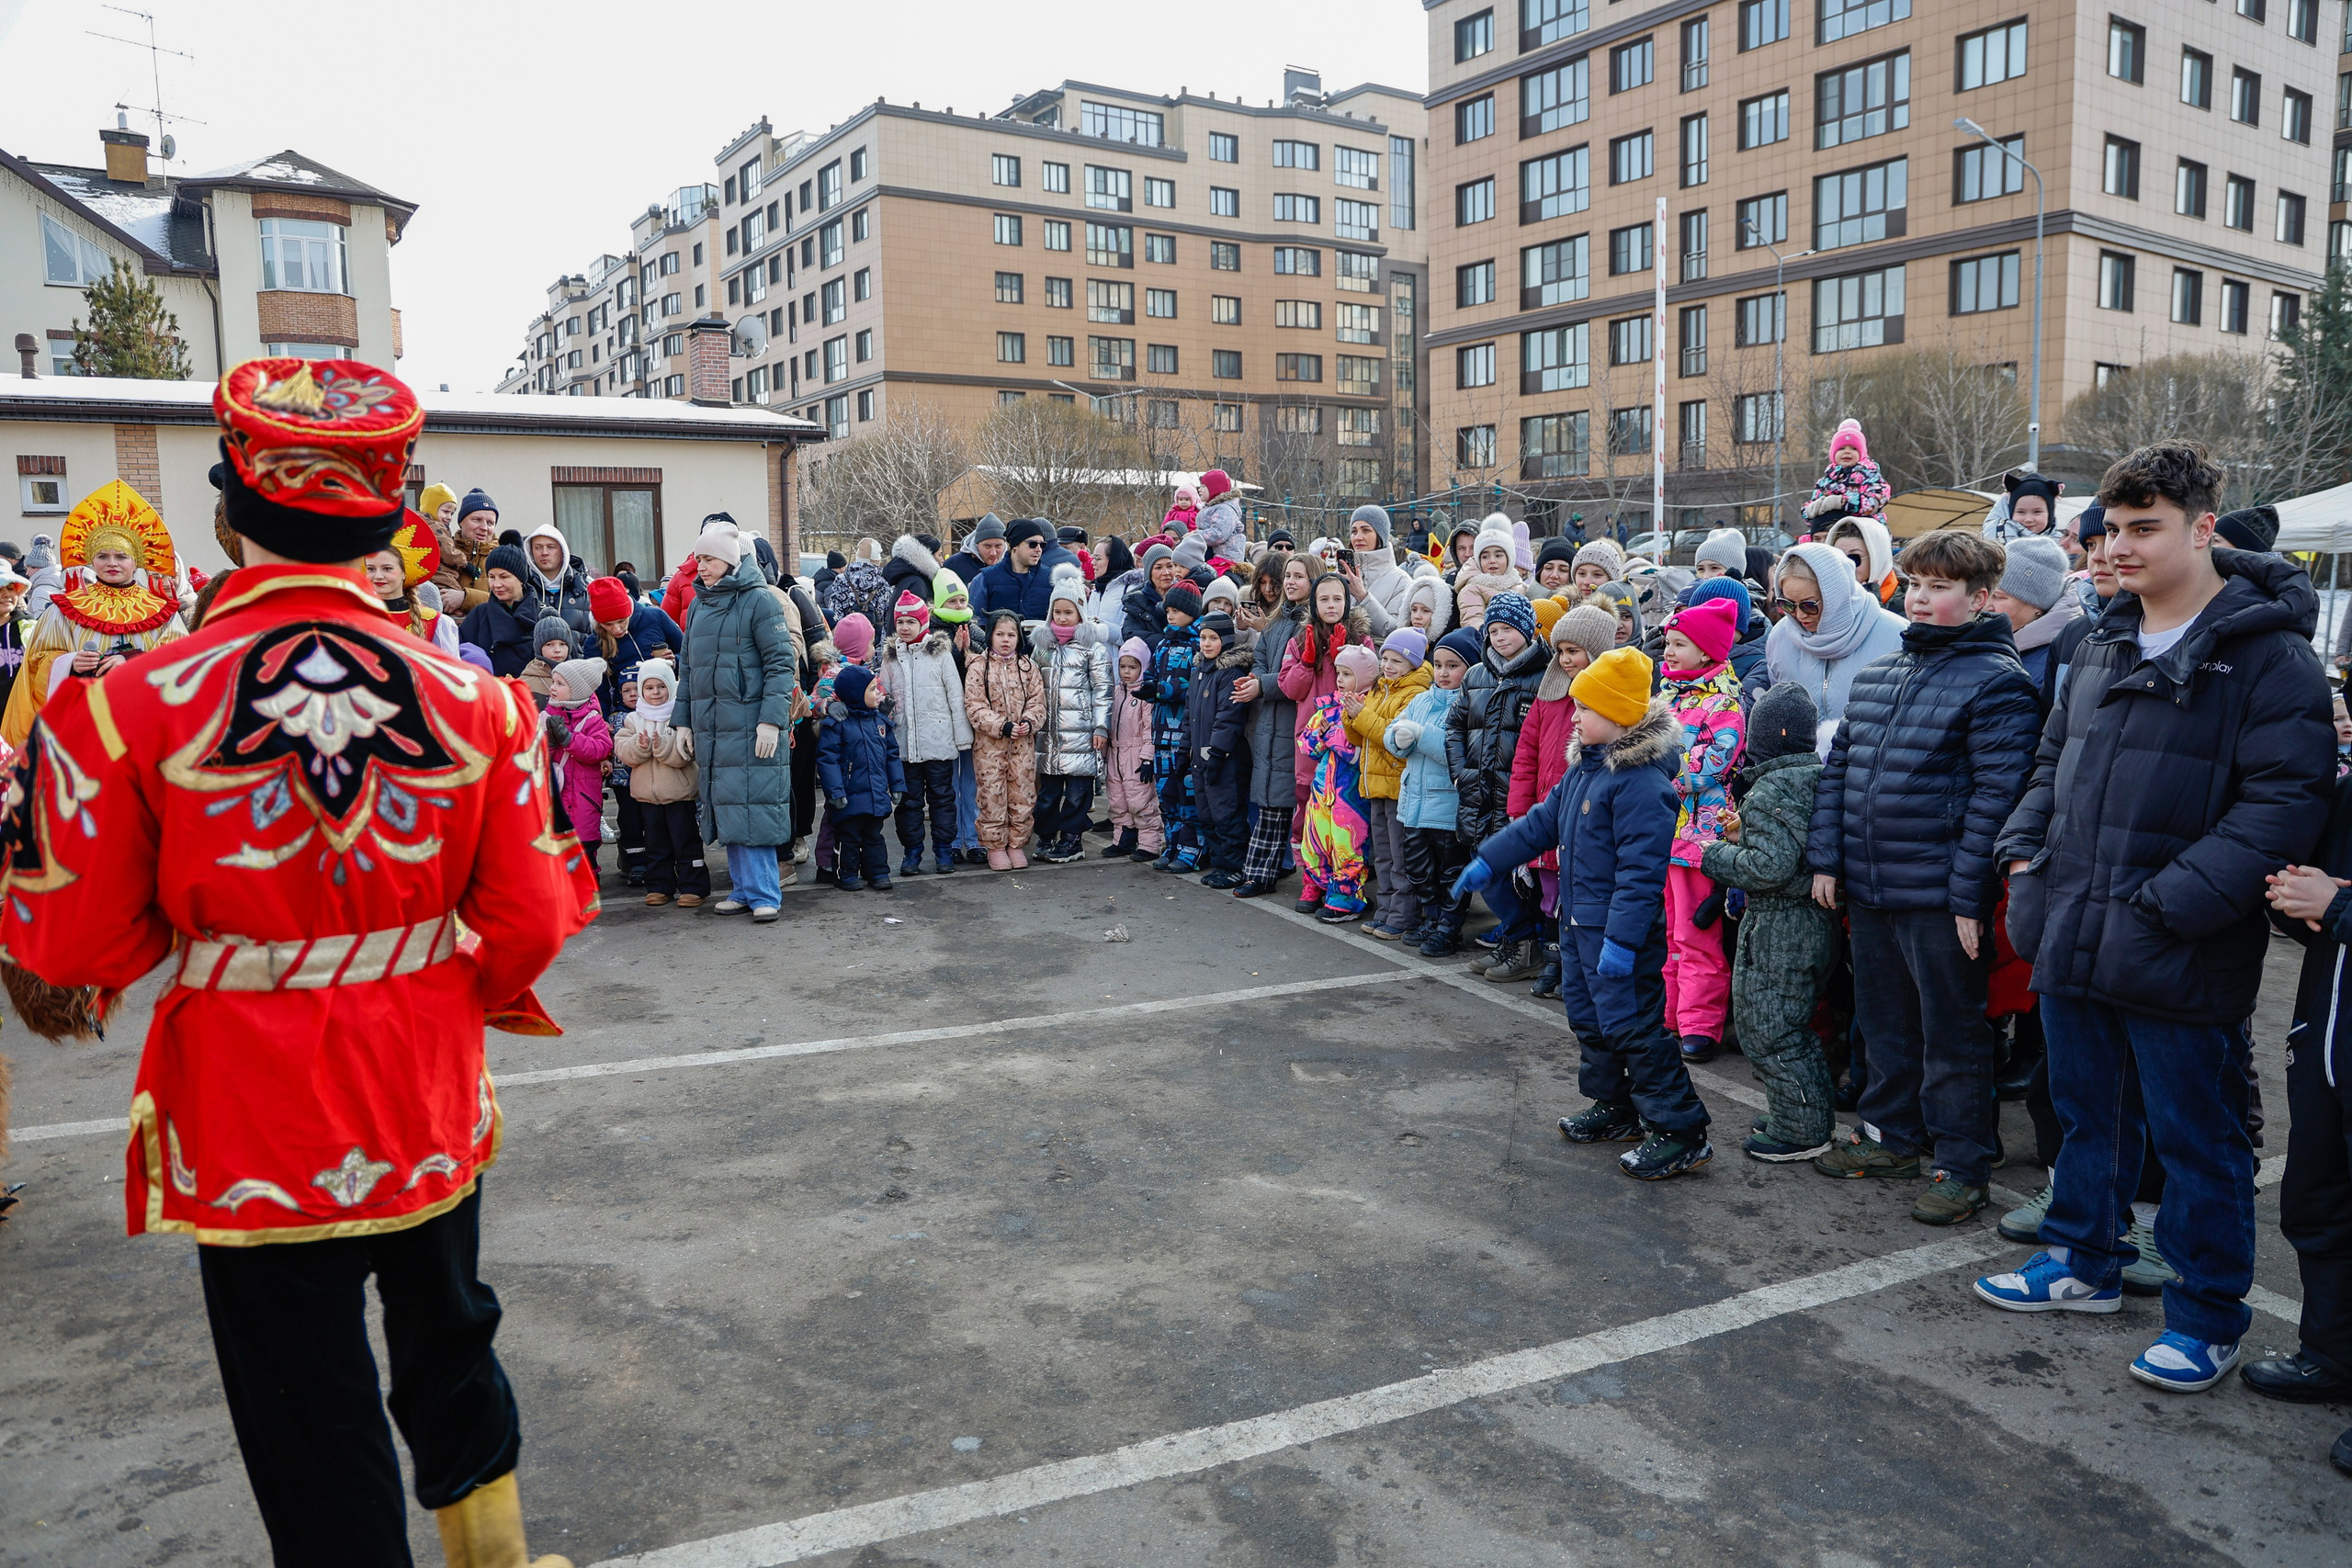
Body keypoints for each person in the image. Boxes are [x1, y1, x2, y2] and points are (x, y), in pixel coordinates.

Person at [0, 355, 592, 1563]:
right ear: (388, 519)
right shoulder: (480, 703)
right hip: (421, 1075)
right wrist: (433, 986)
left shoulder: (128, 705)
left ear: (226, 514)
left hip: (246, 1096)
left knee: (301, 1397)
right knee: (450, 1331)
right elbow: (534, 911)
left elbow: (73, 939)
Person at [1979, 441, 2334, 1393]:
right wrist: (2025, 864)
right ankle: (2081, 1263)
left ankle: (2207, 1316)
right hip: (2073, 927)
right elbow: (2051, 763)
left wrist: (2169, 904)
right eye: (2113, 529)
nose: (2120, 548)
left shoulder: (2269, 658)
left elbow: (2280, 807)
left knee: (2197, 1143)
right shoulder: (2101, 635)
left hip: (2176, 943)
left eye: (2146, 528)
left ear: (2202, 528)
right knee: (2085, 1117)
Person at [1807, 528, 2039, 1224]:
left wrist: (1969, 895)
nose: (1922, 598)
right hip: (1874, 888)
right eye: (1914, 585)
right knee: (1884, 1024)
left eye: (1939, 587)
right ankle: (1889, 1137)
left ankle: (1963, 1163)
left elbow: (1998, 802)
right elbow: (1842, 771)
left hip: (1942, 896)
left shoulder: (2000, 682)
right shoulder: (1882, 672)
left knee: (1954, 1034)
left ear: (1981, 598)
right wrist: (1827, 857)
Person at [1461, 645, 1714, 1180]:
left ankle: (1679, 1129)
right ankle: (1615, 1107)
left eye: (1586, 708)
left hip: (1617, 937)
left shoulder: (1643, 785)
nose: (1574, 716)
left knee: (1634, 1028)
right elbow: (1538, 825)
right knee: (1589, 1019)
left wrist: (1622, 943)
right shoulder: (1585, 770)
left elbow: (1640, 875)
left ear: (1620, 715)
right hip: (1579, 927)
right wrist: (1489, 861)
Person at [1700, 682, 1840, 1159]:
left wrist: (1715, 853)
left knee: (1769, 1029)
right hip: (1810, 924)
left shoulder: (1771, 788)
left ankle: (1802, 1129)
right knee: (1791, 1025)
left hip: (1781, 926)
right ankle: (1799, 1113)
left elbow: (1772, 868)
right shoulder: (1812, 776)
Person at [2257, 778, 2352, 1472]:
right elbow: (2308, 894)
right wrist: (2291, 899)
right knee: (2317, 1199)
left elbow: (2336, 900)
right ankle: (2331, 1357)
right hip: (2324, 1033)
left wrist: (2340, 904)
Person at [1, 479, 187, 750]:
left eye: (121, 556)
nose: (111, 563)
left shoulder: (163, 612)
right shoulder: (64, 610)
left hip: (143, 732)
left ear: (136, 561)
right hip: (82, 729)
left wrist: (133, 663)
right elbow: (35, 665)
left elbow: (184, 666)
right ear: (91, 559)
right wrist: (69, 662)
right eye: (103, 556)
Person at [673, 525, 797, 923]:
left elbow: (782, 665)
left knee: (753, 804)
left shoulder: (760, 600)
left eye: (708, 559)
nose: (700, 566)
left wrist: (770, 722)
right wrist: (683, 723)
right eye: (699, 559)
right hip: (713, 726)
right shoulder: (698, 605)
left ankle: (765, 892)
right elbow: (688, 668)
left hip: (750, 725)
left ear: (730, 560)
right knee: (729, 805)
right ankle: (744, 890)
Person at [1656, 598, 1747, 1066]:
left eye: (1679, 644)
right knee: (1671, 931)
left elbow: (1712, 764)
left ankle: (1701, 1024)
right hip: (1665, 832)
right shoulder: (1668, 695)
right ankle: (1672, 1014)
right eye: (1668, 643)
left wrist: (1656, 768)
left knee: (1697, 934)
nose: (1668, 652)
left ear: (1708, 651)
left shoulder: (1725, 702)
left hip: (1701, 835)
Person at [1509, 606, 1618, 992]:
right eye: (1562, 651)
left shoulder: (1612, 700)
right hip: (1549, 813)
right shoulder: (1549, 695)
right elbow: (1526, 757)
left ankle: (1580, 971)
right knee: (1550, 894)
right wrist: (1519, 813)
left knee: (1581, 898)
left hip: (1588, 818)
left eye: (1575, 650)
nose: (1566, 659)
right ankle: (1555, 962)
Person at [1450, 591, 1551, 981]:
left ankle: (1527, 946)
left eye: (1508, 629)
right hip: (1478, 791)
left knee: (1517, 875)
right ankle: (1515, 939)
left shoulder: (1544, 675)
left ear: (1526, 629)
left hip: (1517, 793)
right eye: (1493, 630)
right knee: (1486, 868)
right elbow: (1455, 726)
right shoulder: (1476, 675)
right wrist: (1460, 770)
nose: (1499, 637)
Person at [1761, 542, 1906, 748]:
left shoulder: (1895, 634)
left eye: (1809, 605)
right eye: (1787, 604)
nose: (1799, 615)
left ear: (1835, 597)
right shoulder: (1780, 637)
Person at [1391, 627, 1481, 956]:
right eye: (1438, 664)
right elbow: (1395, 731)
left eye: (1452, 665)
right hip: (1414, 805)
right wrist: (1396, 739)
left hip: (1446, 807)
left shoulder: (1470, 705)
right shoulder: (1420, 700)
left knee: (1450, 873)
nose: (1443, 672)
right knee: (1418, 869)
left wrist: (1420, 735)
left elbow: (1457, 753)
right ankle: (1432, 918)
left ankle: (1449, 927)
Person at [1236, 554, 1317, 897]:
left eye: (1299, 576)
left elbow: (1298, 677)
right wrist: (1256, 679)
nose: (1290, 582)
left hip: (1297, 721)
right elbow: (1263, 659)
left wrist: (1263, 684)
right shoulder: (1276, 622)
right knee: (1271, 800)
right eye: (1288, 576)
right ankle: (1259, 873)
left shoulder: (1309, 625)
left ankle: (1315, 880)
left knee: (1300, 806)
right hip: (1270, 721)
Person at [877, 589, 972, 877]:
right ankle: (912, 852)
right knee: (909, 803)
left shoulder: (940, 654)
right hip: (905, 746)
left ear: (923, 623)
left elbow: (955, 697)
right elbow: (883, 695)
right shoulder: (891, 658)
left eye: (911, 622)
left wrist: (961, 736)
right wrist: (886, 723)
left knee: (943, 799)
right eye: (900, 623)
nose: (905, 628)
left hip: (938, 743)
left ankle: (944, 850)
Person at [1351, 628, 1434, 935]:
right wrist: (1352, 716)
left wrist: (1360, 716)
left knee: (1401, 855)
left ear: (1412, 663)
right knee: (1383, 853)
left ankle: (1404, 914)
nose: (1388, 665)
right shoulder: (1380, 689)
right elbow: (1359, 738)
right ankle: (1385, 909)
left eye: (1396, 660)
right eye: (1385, 658)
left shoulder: (1414, 693)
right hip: (1375, 785)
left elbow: (1391, 738)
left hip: (1399, 787)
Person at [1032, 573, 1114, 863]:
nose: (1063, 618)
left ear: (1081, 612)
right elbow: (1031, 686)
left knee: (1078, 794)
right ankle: (1046, 837)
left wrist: (1102, 726)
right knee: (1047, 795)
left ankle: (1072, 840)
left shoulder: (1093, 649)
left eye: (1069, 612)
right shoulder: (1042, 647)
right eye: (1058, 611)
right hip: (1049, 735)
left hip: (1082, 735)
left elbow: (1104, 690)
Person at [615, 657, 707, 906]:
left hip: (680, 794)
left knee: (685, 841)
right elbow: (622, 750)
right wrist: (640, 746)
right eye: (649, 687)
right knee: (655, 844)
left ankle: (693, 885)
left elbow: (687, 753)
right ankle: (659, 886)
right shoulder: (633, 720)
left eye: (661, 687)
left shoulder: (681, 717)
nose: (655, 693)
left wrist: (663, 745)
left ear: (671, 686)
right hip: (647, 796)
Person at [1298, 644, 1379, 921]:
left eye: (1347, 674)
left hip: (1351, 796)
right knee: (1315, 840)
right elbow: (1305, 745)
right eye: (1339, 673)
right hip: (1322, 793)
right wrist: (1318, 737)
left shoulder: (1368, 709)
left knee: (1348, 844)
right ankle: (1314, 886)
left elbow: (1369, 752)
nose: (1340, 680)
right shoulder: (1328, 708)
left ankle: (1345, 897)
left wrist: (1343, 746)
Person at [966, 609, 1046, 868]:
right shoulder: (978, 666)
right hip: (989, 746)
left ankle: (1016, 843)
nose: (1005, 640)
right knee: (992, 794)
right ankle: (995, 846)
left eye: (1011, 634)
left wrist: (1029, 722)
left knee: (1023, 793)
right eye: (1000, 634)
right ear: (990, 636)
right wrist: (1002, 726)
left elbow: (1038, 701)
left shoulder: (1028, 666)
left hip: (1022, 744)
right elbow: (974, 706)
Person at [816, 665, 905, 891]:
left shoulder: (880, 723)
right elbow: (828, 760)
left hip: (875, 793)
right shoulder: (837, 725)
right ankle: (846, 873)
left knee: (874, 836)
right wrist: (835, 792)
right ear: (856, 693)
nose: (879, 694)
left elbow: (891, 756)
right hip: (849, 795)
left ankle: (877, 872)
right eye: (873, 689)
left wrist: (897, 785)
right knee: (849, 837)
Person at [1185, 611, 1255, 886]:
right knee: (1207, 813)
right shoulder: (1199, 671)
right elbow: (1191, 717)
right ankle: (1219, 862)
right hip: (1201, 759)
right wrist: (1183, 750)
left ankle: (1235, 865)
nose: (1206, 643)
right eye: (1203, 637)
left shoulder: (1231, 673)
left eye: (1213, 638)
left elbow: (1229, 719)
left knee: (1227, 814)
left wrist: (1217, 754)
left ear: (1225, 640)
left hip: (1225, 760)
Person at [1140, 582, 1206, 870]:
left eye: (1176, 610)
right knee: (1166, 796)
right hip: (1161, 737)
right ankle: (1174, 844)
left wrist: (1161, 690)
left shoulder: (1198, 645)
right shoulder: (1164, 644)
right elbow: (1150, 675)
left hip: (1185, 737)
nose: (1170, 615)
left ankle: (1193, 849)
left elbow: (1193, 685)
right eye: (1167, 609)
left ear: (1191, 612)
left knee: (1187, 795)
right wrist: (1147, 686)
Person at [1986, 536, 2079, 701]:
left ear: (2037, 606)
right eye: (1985, 594)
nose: (1985, 605)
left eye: (1998, 597)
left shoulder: (2059, 657)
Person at [544, 656, 614, 874]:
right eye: (553, 682)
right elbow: (533, 755)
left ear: (577, 690)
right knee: (556, 853)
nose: (553, 688)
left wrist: (569, 740)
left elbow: (601, 749)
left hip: (585, 800)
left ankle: (587, 894)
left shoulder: (592, 718)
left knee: (585, 851)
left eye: (560, 684)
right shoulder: (545, 716)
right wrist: (550, 744)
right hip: (555, 799)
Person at [1104, 636, 1165, 862]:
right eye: (1122, 666)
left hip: (1137, 754)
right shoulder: (1118, 691)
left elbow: (1150, 729)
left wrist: (1148, 758)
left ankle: (1150, 843)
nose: (1126, 671)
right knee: (1118, 798)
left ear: (1143, 667)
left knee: (1141, 799)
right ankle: (1124, 838)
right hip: (1116, 752)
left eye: (1132, 667)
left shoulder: (1145, 694)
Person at [587, 576, 684, 707]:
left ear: (629, 611)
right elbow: (598, 691)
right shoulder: (594, 642)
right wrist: (603, 720)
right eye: (607, 624)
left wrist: (674, 662)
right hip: (626, 711)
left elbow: (689, 654)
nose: (617, 629)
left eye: (621, 620)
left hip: (668, 704)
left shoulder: (656, 617)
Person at [458, 543, 548, 680]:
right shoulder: (478, 615)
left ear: (521, 579)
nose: (497, 584)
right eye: (491, 577)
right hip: (491, 694)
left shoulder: (544, 615)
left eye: (504, 577)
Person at [972, 519, 1081, 622]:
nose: (1038, 549)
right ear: (1015, 545)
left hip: (1040, 642)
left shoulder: (1052, 578)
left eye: (1042, 545)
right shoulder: (986, 578)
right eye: (1032, 544)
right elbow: (976, 622)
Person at [1801, 418, 1892, 533]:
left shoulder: (1870, 475)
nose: (1847, 452)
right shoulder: (1825, 481)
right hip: (1830, 529)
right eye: (1841, 448)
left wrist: (1841, 502)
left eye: (1853, 449)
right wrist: (1810, 511)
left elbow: (1875, 501)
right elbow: (1811, 510)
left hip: (1864, 529)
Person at [430, 487, 503, 614]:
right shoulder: (443, 552)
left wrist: (465, 597)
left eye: (490, 523)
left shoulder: (503, 557)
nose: (484, 527)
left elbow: (511, 601)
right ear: (461, 522)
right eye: (477, 520)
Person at [519, 522, 594, 633]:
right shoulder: (522, 589)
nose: (544, 553)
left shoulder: (586, 587)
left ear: (563, 551)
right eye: (538, 547)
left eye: (551, 547)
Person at [1174, 468, 1245, 570]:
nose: (1199, 490)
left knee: (1208, 574)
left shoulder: (1225, 509)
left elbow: (1218, 534)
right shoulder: (1214, 507)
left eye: (1203, 486)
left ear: (1214, 489)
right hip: (1215, 554)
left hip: (1226, 557)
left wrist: (1196, 535)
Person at [941, 514, 1009, 594]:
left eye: (998, 546)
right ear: (977, 545)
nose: (993, 553)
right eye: (987, 546)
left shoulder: (1012, 565)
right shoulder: (953, 565)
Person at [884, 532, 943, 607]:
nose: (942, 559)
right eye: (940, 555)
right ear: (928, 557)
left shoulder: (910, 578)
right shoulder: (916, 583)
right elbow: (916, 617)